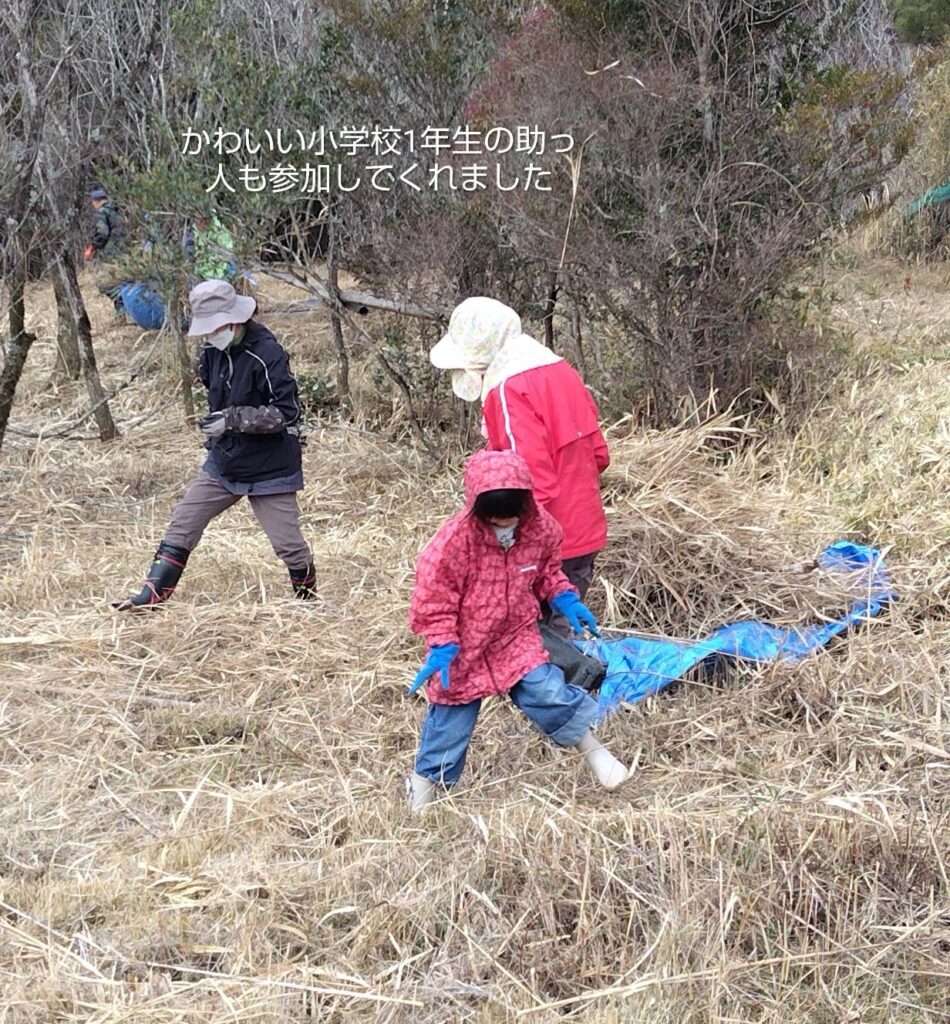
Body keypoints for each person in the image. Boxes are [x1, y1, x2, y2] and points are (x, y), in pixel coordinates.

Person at [405, 449, 629, 811]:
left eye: (512, 515)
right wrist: (442, 641)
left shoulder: (540, 529)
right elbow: (434, 596)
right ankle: (423, 792)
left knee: (548, 691)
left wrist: (564, 597)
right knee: (450, 723)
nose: (504, 522)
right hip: (464, 645)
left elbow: (547, 572)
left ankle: (595, 753)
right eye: (495, 517)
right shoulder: (454, 543)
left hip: (515, 635)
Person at [113, 279, 315, 609]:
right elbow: (215, 394)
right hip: (225, 462)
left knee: (288, 545)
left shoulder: (268, 353)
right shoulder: (210, 352)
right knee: (183, 522)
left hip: (271, 467)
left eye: (216, 327)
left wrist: (232, 419)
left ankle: (307, 602)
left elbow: (287, 412)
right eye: (207, 328)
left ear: (235, 320)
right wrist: (215, 429)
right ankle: (150, 597)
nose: (211, 335)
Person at [430, 297, 610, 635]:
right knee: (561, 638)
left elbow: (524, 480)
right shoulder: (562, 371)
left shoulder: (509, 389)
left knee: (530, 644)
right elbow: (599, 454)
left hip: (543, 543)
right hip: (585, 532)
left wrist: (501, 542)